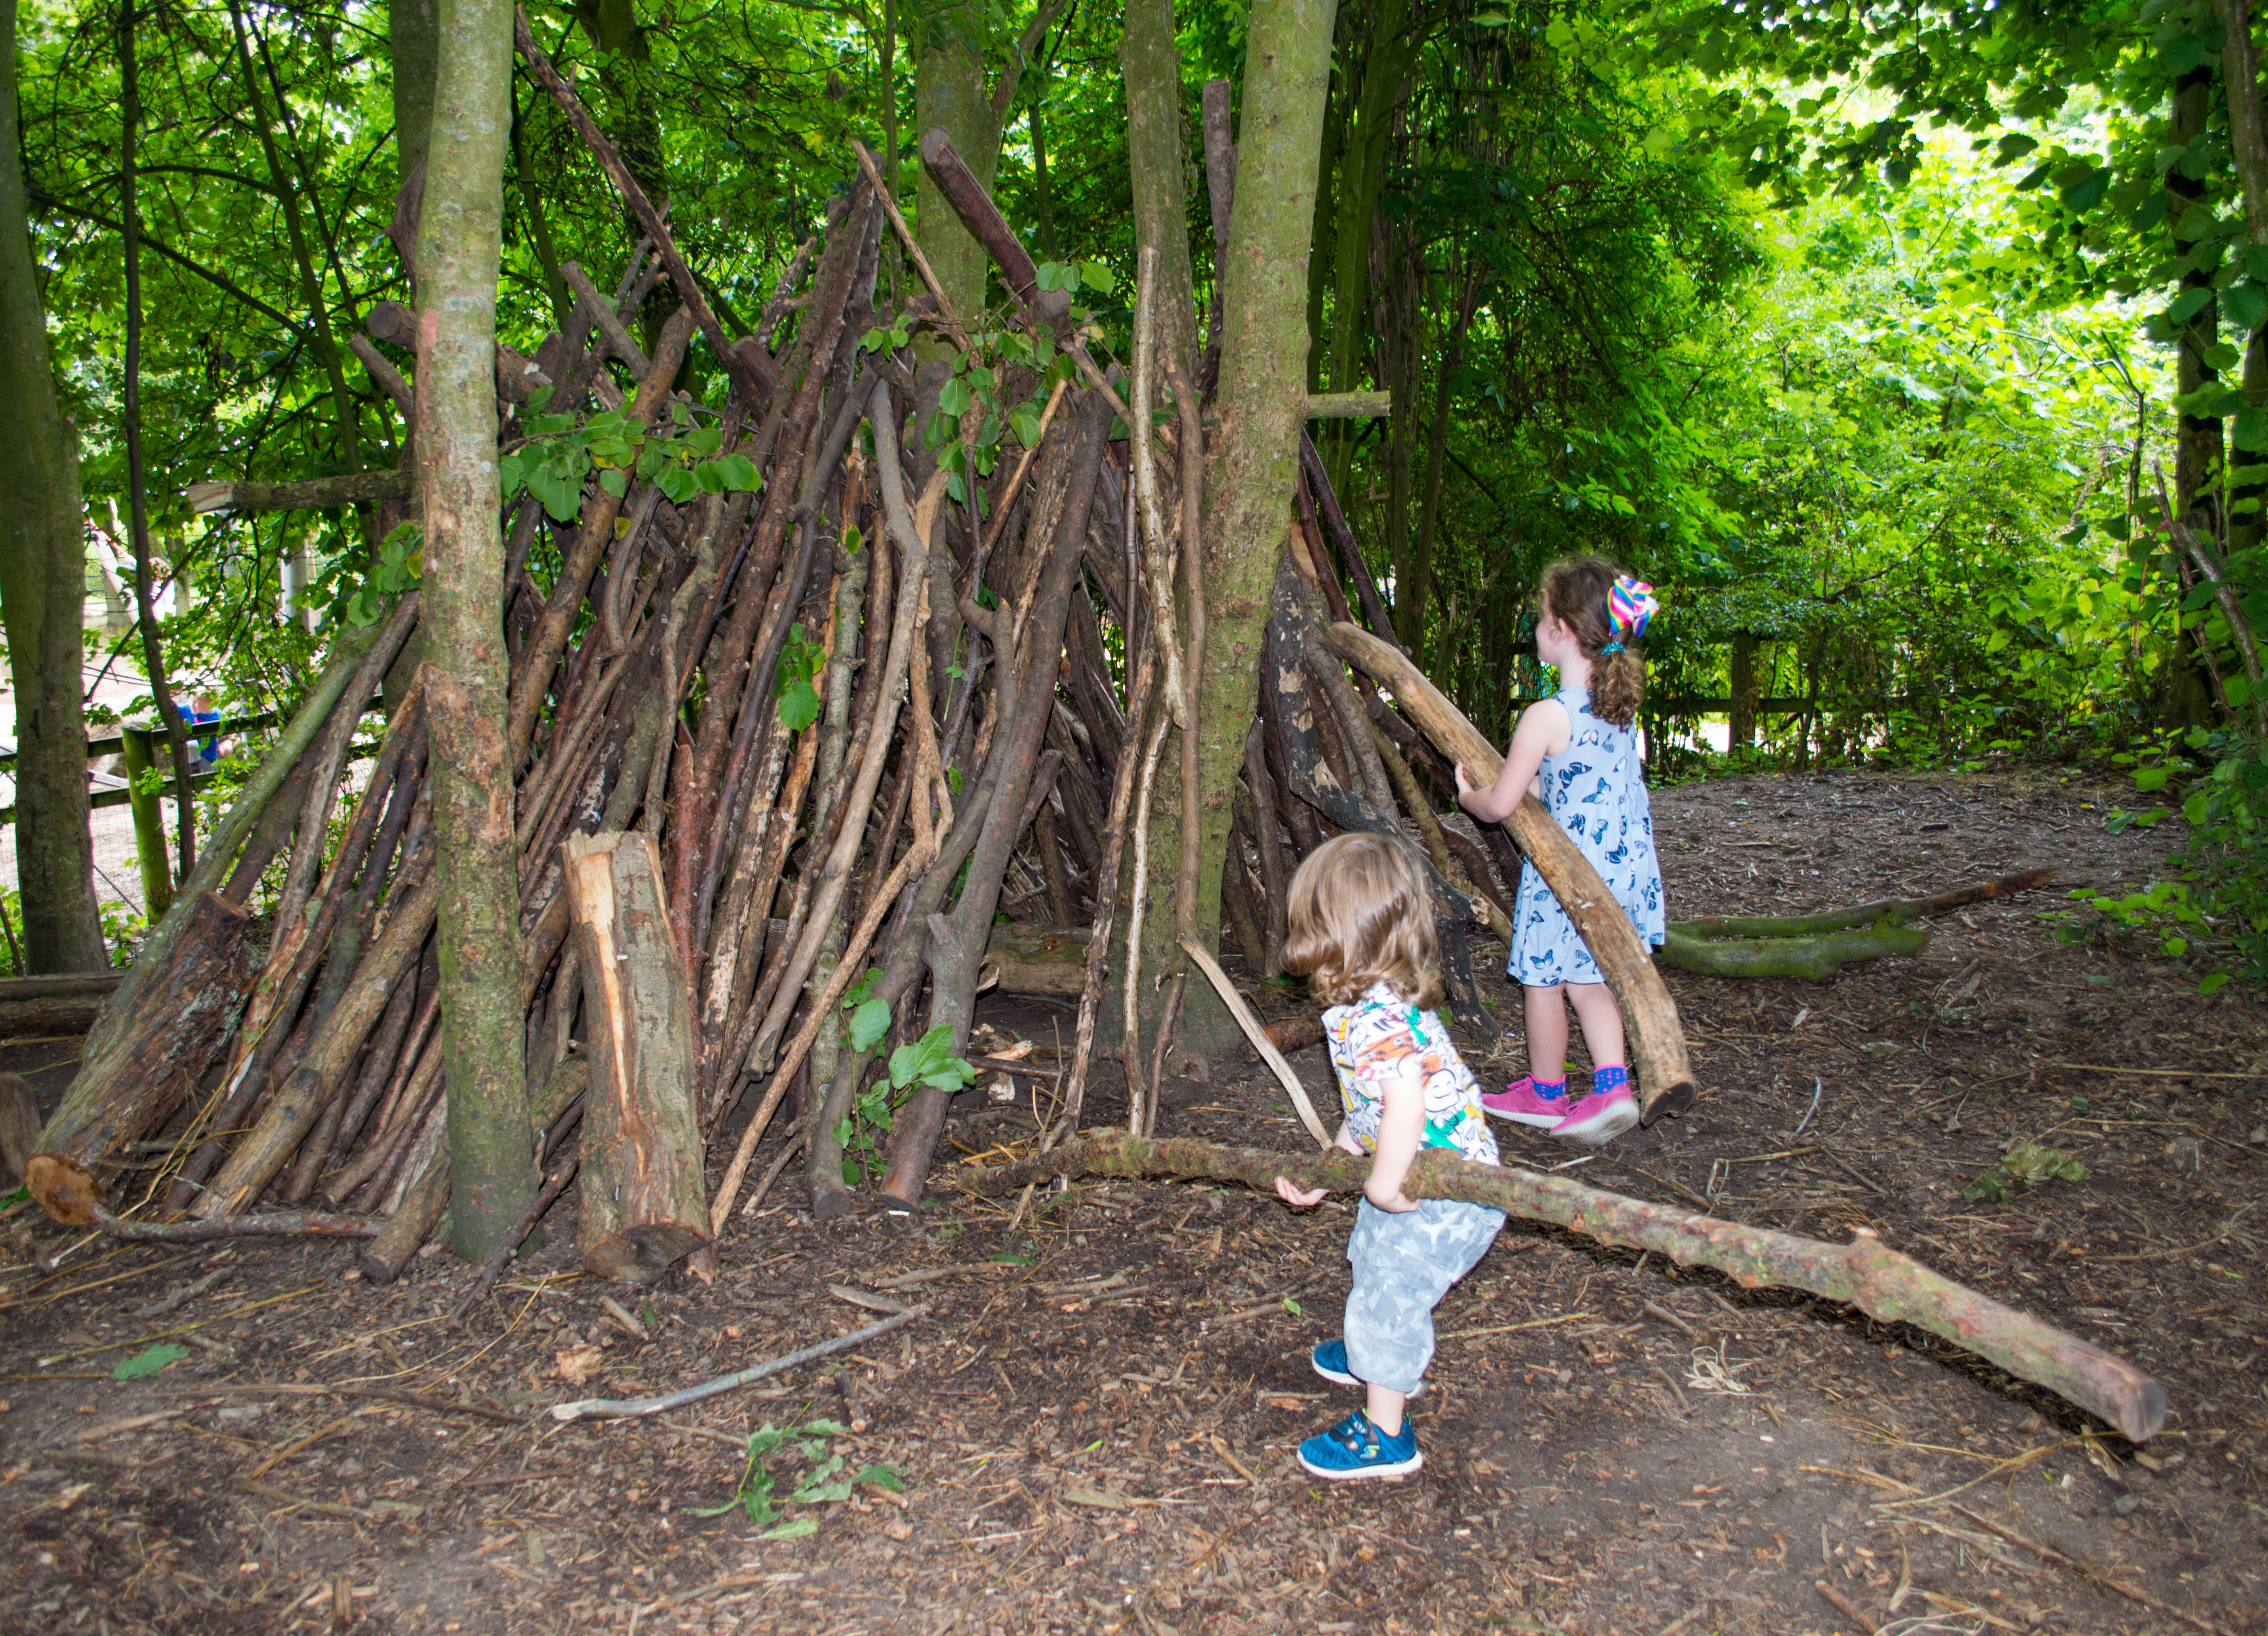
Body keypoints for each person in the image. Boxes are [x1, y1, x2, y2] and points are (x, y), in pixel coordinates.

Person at [1271, 833, 1506, 1481]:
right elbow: (1369, 1110)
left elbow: (1403, 1108)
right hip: (1418, 1175)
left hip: (1450, 1191)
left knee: (1390, 1292)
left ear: (1332, 932)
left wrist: (1380, 1187)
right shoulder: (1355, 1011)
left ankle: (1386, 1437)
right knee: (1370, 1258)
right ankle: (1370, 1355)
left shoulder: (1379, 1020)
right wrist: (1331, 1167)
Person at [1455, 557, 1665, 1147]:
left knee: (1549, 980)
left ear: (1562, 631)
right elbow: (1571, 783)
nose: (1536, 625)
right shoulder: (1617, 710)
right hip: (1625, 871)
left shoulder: (1546, 714)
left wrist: (1467, 794)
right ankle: (1586, 1087)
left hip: (1569, 873)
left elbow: (1500, 805)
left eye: (1542, 616)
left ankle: (1568, 1091)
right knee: (1586, 978)